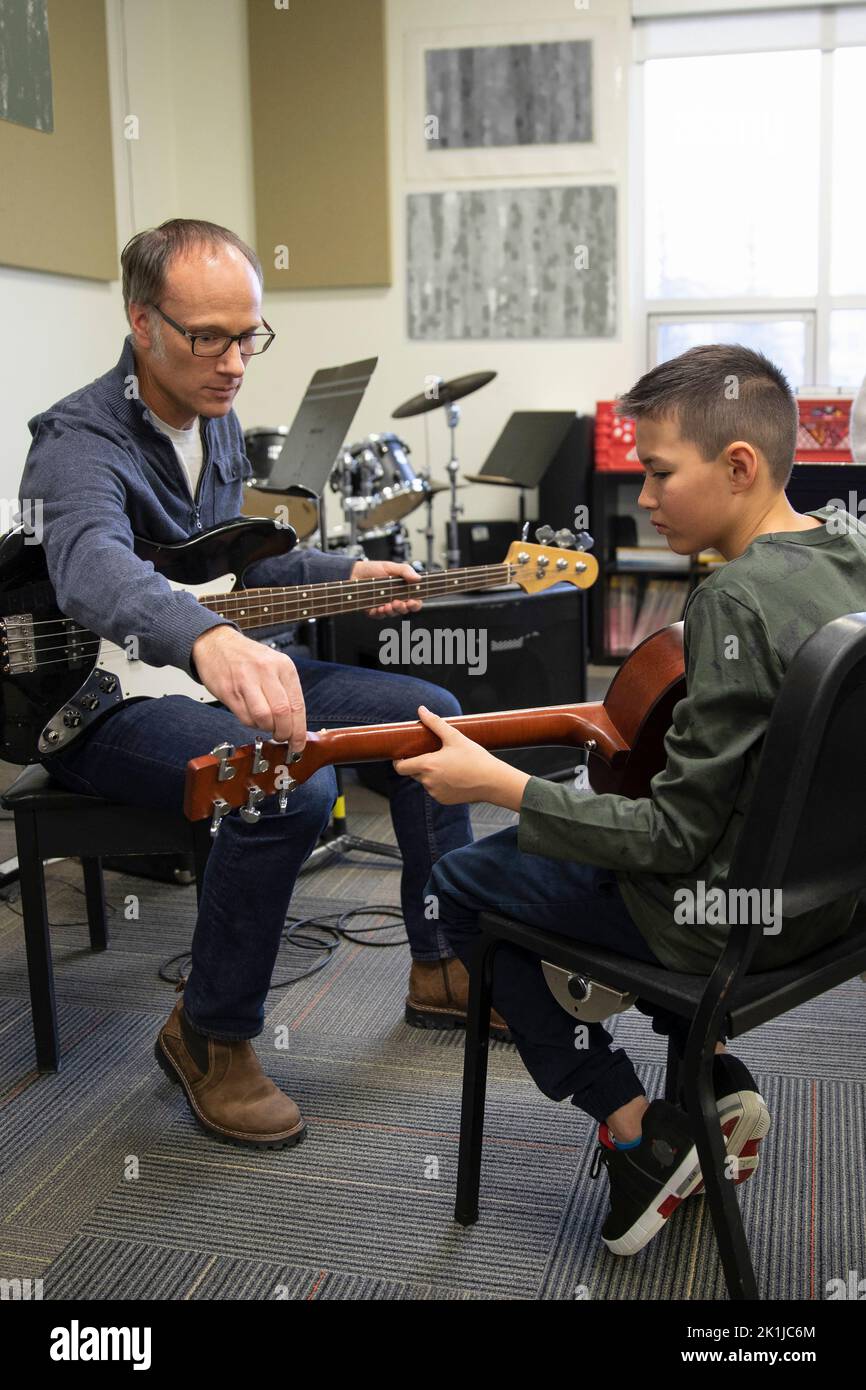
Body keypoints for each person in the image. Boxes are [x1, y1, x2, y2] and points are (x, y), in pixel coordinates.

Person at [18, 217, 490, 1152]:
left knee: (435, 719)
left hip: (197, 678)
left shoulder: (216, 419)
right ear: (140, 322)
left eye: (248, 336)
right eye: (208, 337)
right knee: (290, 783)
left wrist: (343, 572)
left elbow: (219, 566)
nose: (235, 363)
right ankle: (212, 1033)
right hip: (100, 703)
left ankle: (444, 963)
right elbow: (94, 570)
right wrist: (207, 644)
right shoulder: (76, 440)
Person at [395, 344, 866, 1256]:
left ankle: (633, 1126)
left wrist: (501, 784)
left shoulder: (732, 602)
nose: (642, 495)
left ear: (739, 466)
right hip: (832, 915)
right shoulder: (852, 558)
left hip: (719, 927)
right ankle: (714, 1080)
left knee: (461, 882)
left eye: (656, 473)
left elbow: (671, 834)